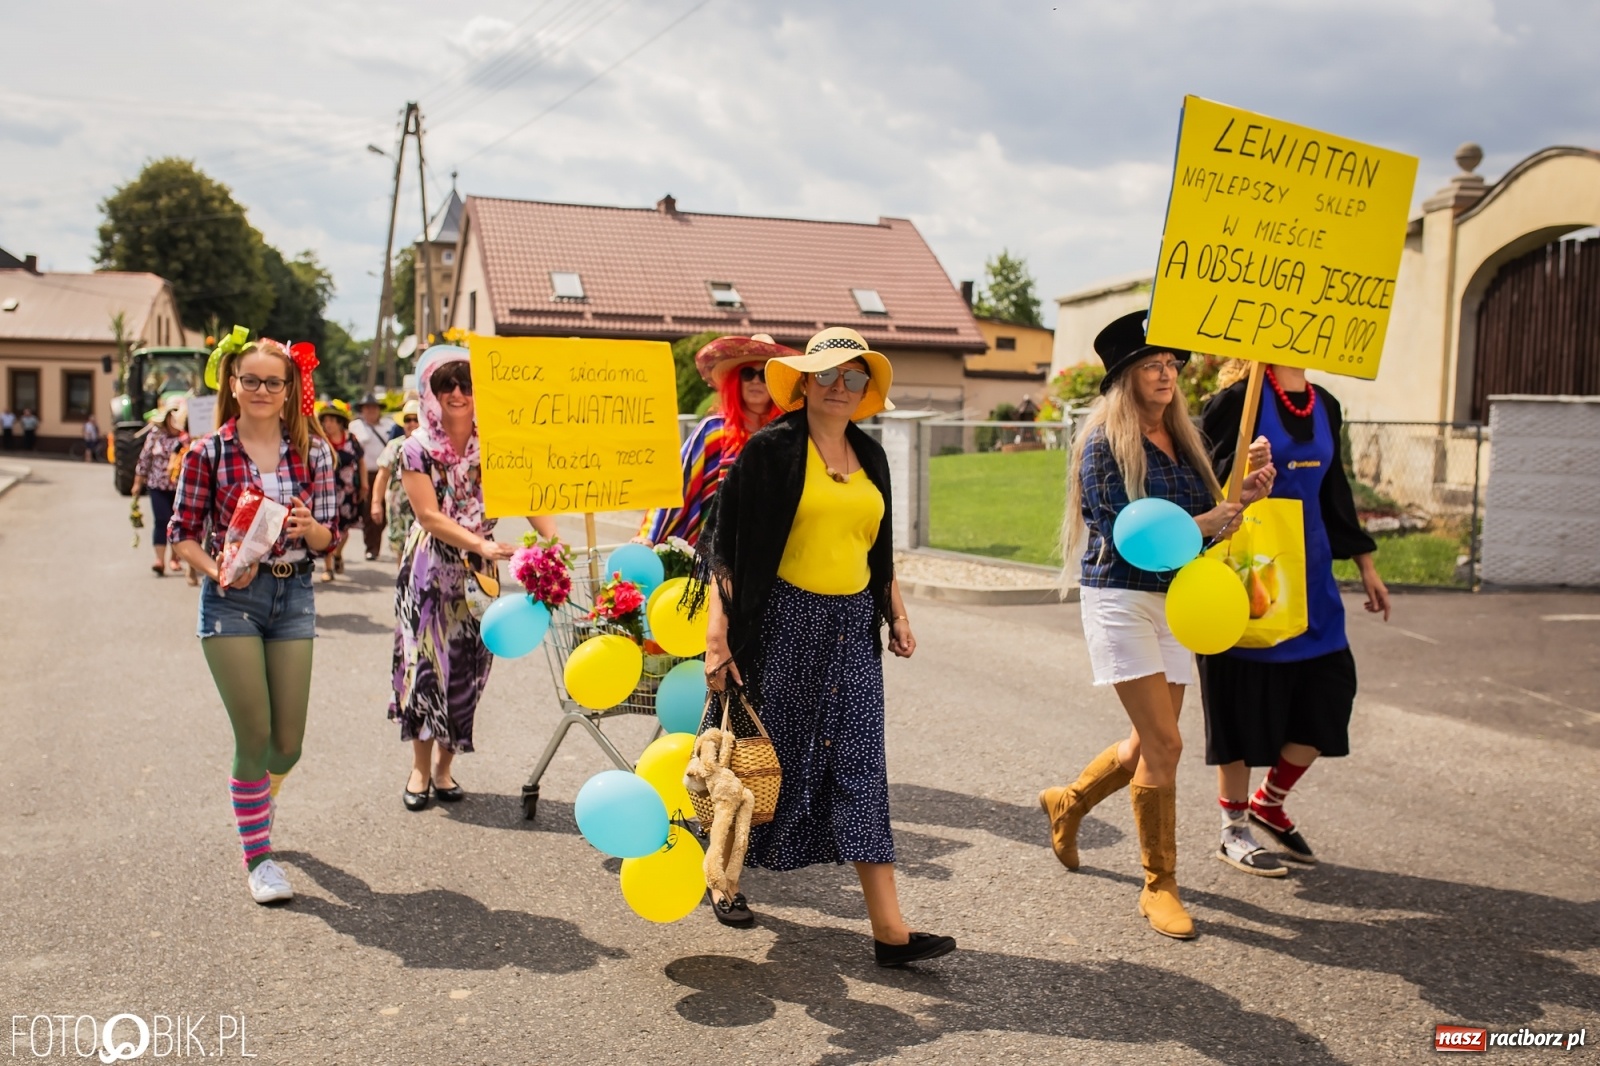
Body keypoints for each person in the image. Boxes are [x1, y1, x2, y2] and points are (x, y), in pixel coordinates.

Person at [696, 326, 955, 967]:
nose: (842, 387)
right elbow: (724, 548)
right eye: (830, 375)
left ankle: (891, 932)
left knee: (862, 767)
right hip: (782, 622)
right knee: (760, 765)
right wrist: (716, 637)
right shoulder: (768, 453)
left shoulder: (873, 456)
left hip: (852, 632)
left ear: (866, 389)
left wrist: (895, 613)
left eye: (855, 376)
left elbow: (879, 547)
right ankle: (722, 875)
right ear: (806, 383)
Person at [1040, 311, 1274, 940]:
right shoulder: (1100, 444)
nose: (1167, 374)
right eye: (1153, 365)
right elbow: (1130, 533)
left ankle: (1069, 802)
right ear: (1125, 378)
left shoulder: (1187, 437)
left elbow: (1209, 529)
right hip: (1121, 598)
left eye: (1172, 364)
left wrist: (1243, 497)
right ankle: (1158, 885)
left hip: (1179, 601)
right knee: (1166, 743)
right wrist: (1209, 518)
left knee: (1152, 742)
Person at [1197, 361, 1391, 875]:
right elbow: (1201, 483)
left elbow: (1335, 490)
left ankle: (1270, 801)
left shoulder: (1324, 403)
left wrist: (1365, 563)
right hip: (1248, 573)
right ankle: (1233, 829)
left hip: (1312, 575)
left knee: (1331, 691)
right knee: (1238, 695)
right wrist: (1240, 465)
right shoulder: (1234, 402)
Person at [169, 334, 337, 905]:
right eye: (251, 381)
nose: (262, 391)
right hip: (232, 602)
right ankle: (259, 857)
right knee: (255, 734)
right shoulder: (207, 453)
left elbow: (328, 537)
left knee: (287, 745)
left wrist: (307, 528)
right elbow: (181, 536)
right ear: (233, 386)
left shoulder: (312, 454)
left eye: (274, 382)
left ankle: (260, 800)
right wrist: (217, 569)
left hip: (294, 596)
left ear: (289, 391)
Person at [390, 347, 558, 811]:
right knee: (427, 670)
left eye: (466, 384)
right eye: (447, 384)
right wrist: (480, 545)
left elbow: (530, 497)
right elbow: (427, 515)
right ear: (431, 392)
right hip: (430, 567)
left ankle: (446, 768)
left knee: (470, 670)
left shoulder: (498, 443)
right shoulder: (416, 448)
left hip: (480, 570)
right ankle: (420, 770)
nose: (458, 393)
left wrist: (552, 542)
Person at [637, 335, 790, 547]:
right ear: (736, 381)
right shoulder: (714, 431)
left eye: (764, 375)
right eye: (748, 374)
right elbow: (678, 484)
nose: (755, 381)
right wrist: (649, 535)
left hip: (774, 552)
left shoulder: (788, 437)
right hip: (719, 553)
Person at [132, 397, 189, 577]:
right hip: (158, 486)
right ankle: (160, 559)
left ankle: (175, 558)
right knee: (161, 520)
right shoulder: (155, 435)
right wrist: (137, 483)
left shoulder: (187, 438)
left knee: (179, 522)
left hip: (181, 487)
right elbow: (144, 459)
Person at [316, 400, 364, 582]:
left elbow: (361, 461)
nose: (328, 424)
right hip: (324, 491)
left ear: (340, 422)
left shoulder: (351, 439)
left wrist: (364, 485)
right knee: (327, 528)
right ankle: (328, 567)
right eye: (325, 420)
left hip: (348, 491)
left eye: (332, 420)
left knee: (344, 529)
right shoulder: (319, 440)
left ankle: (337, 554)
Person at [371, 400, 420, 565]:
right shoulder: (394, 445)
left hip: (423, 506)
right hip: (398, 506)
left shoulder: (431, 445)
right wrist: (376, 503)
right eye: (408, 420)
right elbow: (382, 475)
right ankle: (404, 585)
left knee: (423, 547)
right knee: (400, 547)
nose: (412, 423)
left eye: (416, 419)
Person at [349, 393, 397, 561]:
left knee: (387, 510)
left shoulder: (389, 426)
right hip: (365, 474)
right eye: (367, 408)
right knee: (369, 511)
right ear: (362, 410)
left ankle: (378, 541)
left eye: (373, 408)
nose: (370, 411)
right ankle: (372, 547)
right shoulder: (355, 427)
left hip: (386, 473)